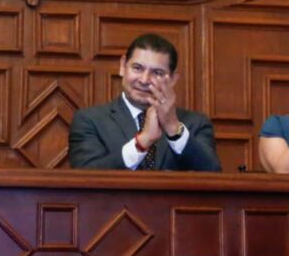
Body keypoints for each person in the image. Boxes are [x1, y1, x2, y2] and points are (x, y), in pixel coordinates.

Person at [68, 33, 220, 171]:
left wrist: (173, 128)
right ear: (122, 66)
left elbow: (212, 175)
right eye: (137, 68)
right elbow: (85, 176)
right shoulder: (89, 120)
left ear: (173, 79)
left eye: (157, 73)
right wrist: (143, 142)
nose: (144, 80)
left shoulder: (196, 123)